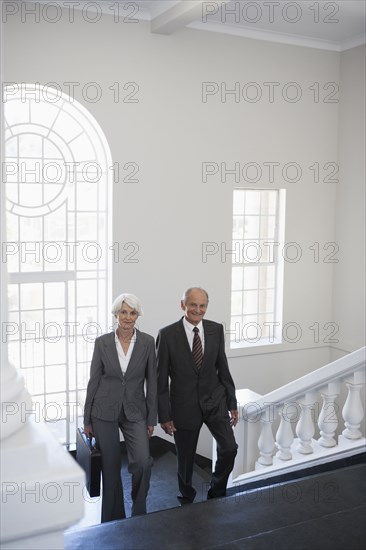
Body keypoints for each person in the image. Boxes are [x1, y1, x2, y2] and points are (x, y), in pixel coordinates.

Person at [157, 287, 238, 505]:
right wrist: (164, 416)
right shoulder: (166, 335)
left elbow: (223, 368)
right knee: (185, 459)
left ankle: (217, 490)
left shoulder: (216, 329)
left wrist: (232, 402)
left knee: (229, 447)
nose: (198, 310)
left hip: (215, 401)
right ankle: (186, 496)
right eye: (193, 304)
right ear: (182, 304)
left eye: (202, 305)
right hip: (183, 407)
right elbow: (160, 380)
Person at [83, 293, 157, 522]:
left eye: (132, 313)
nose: (127, 317)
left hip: (135, 410)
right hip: (103, 410)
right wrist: (87, 419)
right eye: (123, 312)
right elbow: (93, 380)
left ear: (138, 315)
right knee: (111, 467)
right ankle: (113, 519)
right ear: (115, 314)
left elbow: (152, 382)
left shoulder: (147, 342)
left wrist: (151, 418)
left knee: (143, 462)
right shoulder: (102, 343)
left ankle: (139, 512)